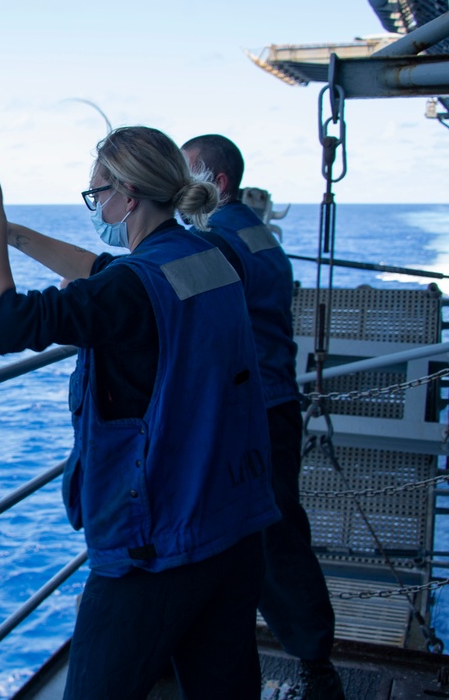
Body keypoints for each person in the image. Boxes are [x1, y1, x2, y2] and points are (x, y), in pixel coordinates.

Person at [0, 126, 281, 699]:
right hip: (232, 525)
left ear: (127, 194)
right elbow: (106, 273)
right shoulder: (210, 256)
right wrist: (18, 236)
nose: (95, 206)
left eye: (96, 193)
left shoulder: (133, 289)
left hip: (157, 549)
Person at [181, 135, 345, 700]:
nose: (178, 191)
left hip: (254, 406)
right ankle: (308, 658)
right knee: (273, 533)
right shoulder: (254, 230)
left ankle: (314, 668)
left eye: (186, 176)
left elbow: (171, 291)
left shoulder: (221, 240)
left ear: (216, 182)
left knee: (273, 538)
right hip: (270, 400)